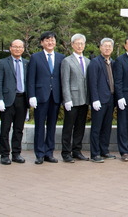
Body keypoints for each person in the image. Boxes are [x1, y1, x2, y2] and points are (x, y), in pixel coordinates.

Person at [27, 31, 65, 165]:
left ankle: (49, 152)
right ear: (42, 43)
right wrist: (31, 95)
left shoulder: (61, 57)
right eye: (47, 40)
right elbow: (30, 78)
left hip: (55, 97)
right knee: (39, 126)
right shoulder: (35, 57)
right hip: (40, 96)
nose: (50, 42)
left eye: (52, 40)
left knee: (52, 126)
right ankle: (39, 153)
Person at [0, 39, 28, 165]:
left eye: (20, 47)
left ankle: (16, 153)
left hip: (22, 99)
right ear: (10, 48)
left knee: (19, 129)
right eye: (15, 47)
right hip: (8, 100)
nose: (18, 49)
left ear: (23, 49)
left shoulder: (26, 63)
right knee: (5, 129)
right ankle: (4, 154)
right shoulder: (2, 63)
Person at [60, 33, 90, 163]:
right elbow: (65, 81)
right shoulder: (67, 61)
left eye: (82, 43)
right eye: (77, 43)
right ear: (72, 45)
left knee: (80, 126)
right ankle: (66, 152)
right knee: (68, 127)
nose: (79, 46)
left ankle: (77, 150)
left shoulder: (88, 61)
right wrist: (67, 99)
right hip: (72, 99)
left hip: (84, 99)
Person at [87, 38, 117, 163]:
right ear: (100, 47)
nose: (107, 48)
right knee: (96, 128)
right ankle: (95, 153)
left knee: (106, 127)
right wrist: (95, 99)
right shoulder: (95, 62)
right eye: (105, 46)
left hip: (110, 99)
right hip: (99, 100)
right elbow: (92, 82)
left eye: (110, 46)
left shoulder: (113, 63)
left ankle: (104, 150)